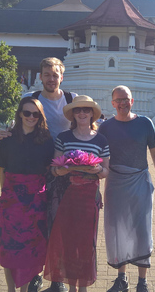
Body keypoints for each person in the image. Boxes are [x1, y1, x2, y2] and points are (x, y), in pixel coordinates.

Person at [0, 57, 77, 292]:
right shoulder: (34, 99)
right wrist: (8, 135)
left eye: (55, 75)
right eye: (47, 74)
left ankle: (58, 279)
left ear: (61, 77)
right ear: (40, 77)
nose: (51, 79)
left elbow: (87, 125)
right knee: (38, 228)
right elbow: (22, 122)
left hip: (62, 169)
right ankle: (35, 274)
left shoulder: (70, 100)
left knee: (60, 225)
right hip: (38, 168)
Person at [98, 85, 155, 292]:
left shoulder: (144, 123)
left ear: (132, 101)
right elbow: (96, 155)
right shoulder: (106, 127)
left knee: (141, 229)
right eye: (118, 100)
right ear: (112, 103)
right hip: (115, 183)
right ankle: (122, 278)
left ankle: (142, 280)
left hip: (139, 181)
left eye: (125, 99)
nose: (122, 103)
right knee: (118, 228)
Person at [44, 96, 110, 292]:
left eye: (86, 110)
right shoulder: (64, 138)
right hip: (67, 195)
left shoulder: (101, 139)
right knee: (69, 241)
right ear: (73, 114)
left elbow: (106, 172)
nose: (82, 113)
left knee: (87, 243)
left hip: (89, 197)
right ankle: (72, 287)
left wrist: (96, 170)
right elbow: (53, 168)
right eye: (78, 110)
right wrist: (61, 170)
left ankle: (83, 287)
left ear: (92, 114)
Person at [0, 97, 55, 292]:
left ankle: (25, 289)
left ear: (40, 117)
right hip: (11, 200)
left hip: (36, 201)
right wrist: (5, 197)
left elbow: (48, 169)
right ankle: (11, 289)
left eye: (35, 114)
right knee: (9, 248)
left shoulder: (46, 141)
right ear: (20, 113)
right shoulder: (6, 140)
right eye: (27, 113)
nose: (31, 117)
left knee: (32, 250)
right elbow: (3, 171)